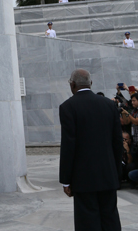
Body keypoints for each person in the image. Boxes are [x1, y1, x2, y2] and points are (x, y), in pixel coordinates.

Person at [59, 69, 123, 231]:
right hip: (108, 174)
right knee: (110, 218)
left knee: (87, 221)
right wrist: (116, 173)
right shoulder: (109, 105)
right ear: (91, 83)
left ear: (72, 84)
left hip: (83, 177)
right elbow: (117, 142)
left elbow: (68, 145)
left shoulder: (68, 107)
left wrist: (66, 180)